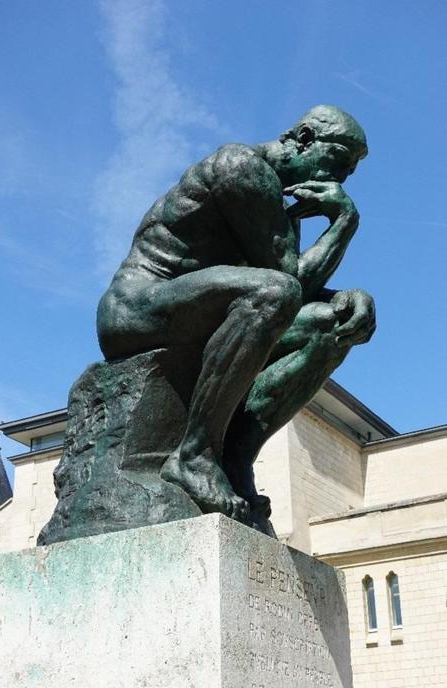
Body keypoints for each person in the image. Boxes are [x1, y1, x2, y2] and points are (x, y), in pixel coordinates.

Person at [97, 105, 376, 532]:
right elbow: (286, 283)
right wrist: (345, 222)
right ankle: (194, 455)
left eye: (348, 173)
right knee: (274, 291)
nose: (338, 179)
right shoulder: (241, 166)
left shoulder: (280, 207)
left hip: (206, 310)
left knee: (332, 324)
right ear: (303, 138)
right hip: (136, 309)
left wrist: (348, 298)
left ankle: (234, 461)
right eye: (337, 161)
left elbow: (294, 287)